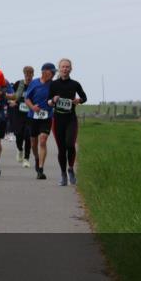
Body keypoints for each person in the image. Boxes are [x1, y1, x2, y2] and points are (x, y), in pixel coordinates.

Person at [49, 58, 88, 186]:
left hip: (71, 118)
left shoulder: (75, 84)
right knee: (61, 149)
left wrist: (79, 100)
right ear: (59, 69)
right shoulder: (53, 84)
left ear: (71, 69)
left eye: (67, 67)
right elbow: (47, 102)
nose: (65, 69)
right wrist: (53, 100)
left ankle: (70, 169)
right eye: (63, 67)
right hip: (58, 119)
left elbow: (84, 97)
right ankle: (63, 174)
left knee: (70, 144)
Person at [24, 63, 56, 180]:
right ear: (45, 72)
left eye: (54, 73)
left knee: (43, 140)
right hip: (33, 117)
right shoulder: (34, 83)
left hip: (47, 116)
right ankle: (37, 159)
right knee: (33, 144)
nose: (53, 74)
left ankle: (41, 169)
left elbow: (56, 98)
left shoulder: (53, 84)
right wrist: (33, 107)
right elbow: (27, 99)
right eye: (52, 72)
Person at [11, 66, 35, 167]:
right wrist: (12, 101)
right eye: (26, 74)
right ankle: (20, 149)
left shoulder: (35, 85)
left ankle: (26, 159)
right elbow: (12, 96)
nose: (28, 77)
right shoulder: (19, 84)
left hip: (30, 115)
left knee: (28, 136)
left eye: (30, 74)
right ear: (24, 74)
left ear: (33, 74)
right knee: (18, 135)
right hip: (18, 114)